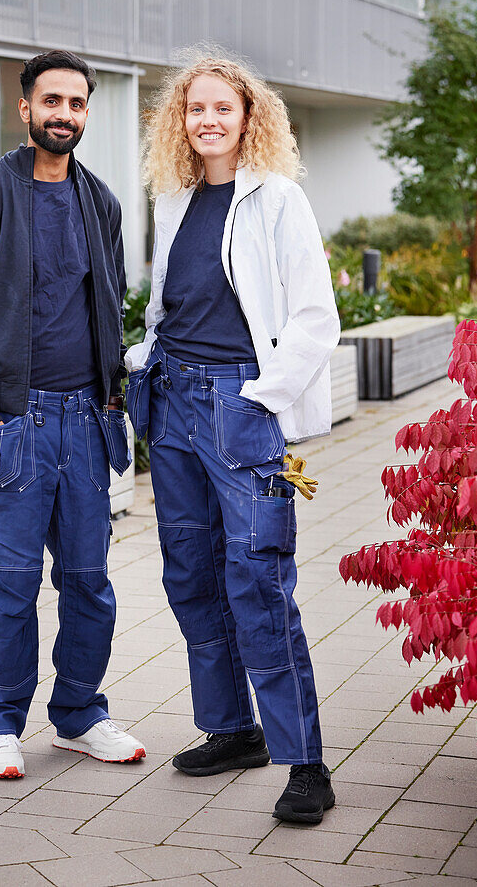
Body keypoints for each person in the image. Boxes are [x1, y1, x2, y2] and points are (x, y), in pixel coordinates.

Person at [126, 57, 339, 824]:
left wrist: (263, 397)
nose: (207, 120)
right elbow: (167, 303)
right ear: (178, 123)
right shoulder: (175, 199)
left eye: (223, 107)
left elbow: (316, 317)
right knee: (189, 575)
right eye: (194, 109)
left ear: (250, 117)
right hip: (175, 407)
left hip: (239, 404)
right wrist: (144, 361)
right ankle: (233, 729)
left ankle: (305, 760)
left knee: (258, 581)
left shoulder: (278, 199)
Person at [0, 49, 146, 779]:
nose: (65, 114)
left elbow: (109, 306)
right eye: (51, 100)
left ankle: (80, 716)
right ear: (25, 108)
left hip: (87, 423)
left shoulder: (102, 204)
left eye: (78, 103)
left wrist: (115, 399)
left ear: (88, 112)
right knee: (9, 581)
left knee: (89, 580)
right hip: (12, 426)